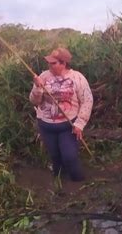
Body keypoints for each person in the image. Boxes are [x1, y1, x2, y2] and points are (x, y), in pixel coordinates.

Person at [29, 47, 93, 181]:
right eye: (49, 62)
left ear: (63, 64)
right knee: (55, 156)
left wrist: (80, 123)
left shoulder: (77, 78)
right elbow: (34, 101)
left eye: (53, 63)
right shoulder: (43, 77)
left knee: (69, 156)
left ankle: (78, 182)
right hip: (46, 124)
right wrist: (38, 87)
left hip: (68, 125)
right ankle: (59, 183)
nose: (49, 66)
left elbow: (87, 101)